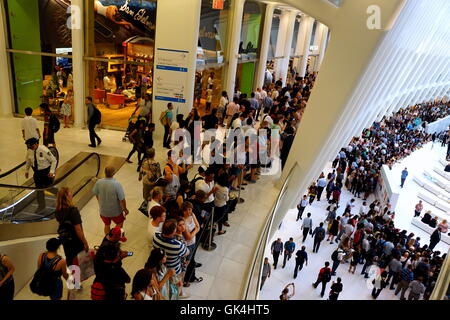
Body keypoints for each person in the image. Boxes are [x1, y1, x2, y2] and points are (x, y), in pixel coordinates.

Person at [54, 187, 89, 266]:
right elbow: (78, 230)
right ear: (66, 197)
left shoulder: (57, 211)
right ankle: (78, 277)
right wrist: (85, 242)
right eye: (70, 193)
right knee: (79, 261)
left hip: (66, 240)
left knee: (70, 259)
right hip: (76, 240)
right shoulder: (73, 211)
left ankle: (73, 275)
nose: (72, 195)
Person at [24, 137, 57, 213]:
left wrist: (52, 171)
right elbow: (28, 161)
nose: (31, 148)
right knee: (39, 190)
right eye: (29, 147)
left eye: (32, 146)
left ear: (36, 144)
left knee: (49, 188)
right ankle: (41, 206)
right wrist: (27, 170)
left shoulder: (44, 150)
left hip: (46, 172)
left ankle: (60, 195)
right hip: (37, 173)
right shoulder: (30, 151)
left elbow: (54, 160)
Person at [93, 166, 129, 235]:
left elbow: (96, 194)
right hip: (116, 212)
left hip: (103, 211)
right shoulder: (117, 184)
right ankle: (114, 237)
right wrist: (125, 209)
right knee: (120, 223)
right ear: (114, 173)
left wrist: (100, 202)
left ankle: (107, 238)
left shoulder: (99, 182)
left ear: (105, 172)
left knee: (107, 225)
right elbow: (122, 199)